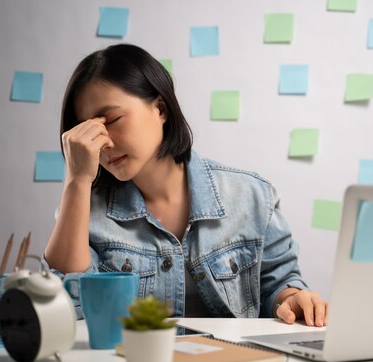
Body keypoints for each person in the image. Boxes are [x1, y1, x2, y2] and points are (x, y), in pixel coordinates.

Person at [44, 43, 327, 327]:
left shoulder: (249, 195)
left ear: (161, 109)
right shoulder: (83, 208)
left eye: (114, 119)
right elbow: (70, 306)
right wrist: (77, 180)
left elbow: (278, 283)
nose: (103, 142)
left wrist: (289, 299)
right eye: (88, 131)